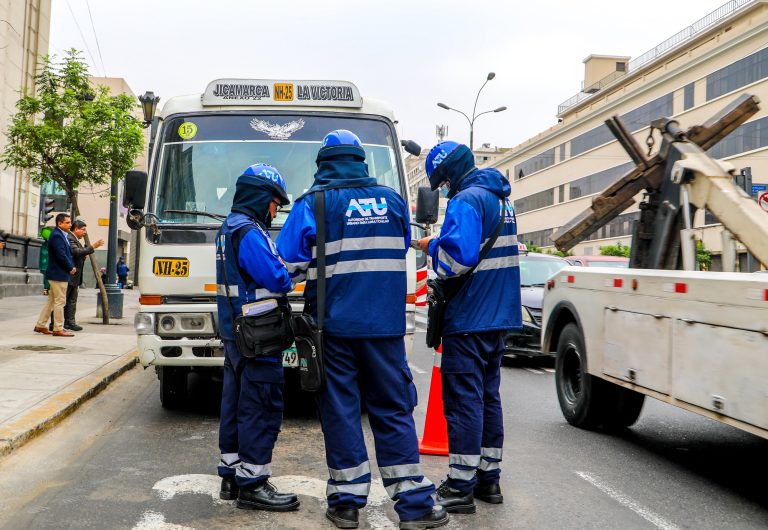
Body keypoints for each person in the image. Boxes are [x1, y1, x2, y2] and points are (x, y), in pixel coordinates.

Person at [278, 130, 448, 530]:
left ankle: (346, 503)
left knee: (341, 411)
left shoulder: (313, 203)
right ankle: (414, 505)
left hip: (333, 330)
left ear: (324, 163)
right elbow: (403, 243)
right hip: (385, 328)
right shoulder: (392, 201)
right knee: (392, 408)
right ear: (360, 160)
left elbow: (287, 265)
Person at [416, 141, 521, 515]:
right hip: (499, 316)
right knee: (488, 397)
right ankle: (487, 479)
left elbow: (456, 261)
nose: (445, 190)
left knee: (463, 401)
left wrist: (431, 248)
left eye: (443, 183)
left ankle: (460, 485)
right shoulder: (500, 199)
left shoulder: (466, 200)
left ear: (450, 174)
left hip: (469, 318)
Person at [215, 163, 299, 512]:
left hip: (237, 334)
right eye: (275, 203)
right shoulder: (248, 232)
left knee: (234, 404)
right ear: (262, 198)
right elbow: (277, 279)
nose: (275, 210)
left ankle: (232, 474)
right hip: (259, 333)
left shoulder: (227, 228)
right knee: (261, 406)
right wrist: (287, 269)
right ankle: (254, 482)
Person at [34, 213, 77, 337]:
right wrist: (70, 267)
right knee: (60, 301)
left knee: (52, 301)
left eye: (70, 222)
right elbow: (61, 255)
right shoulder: (58, 236)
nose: (70, 224)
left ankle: (40, 325)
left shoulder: (60, 235)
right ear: (59, 223)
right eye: (67, 222)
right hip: (58, 274)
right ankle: (58, 328)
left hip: (56, 273)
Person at [64, 220, 104, 331]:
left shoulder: (75, 239)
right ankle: (58, 323)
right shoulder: (70, 238)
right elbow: (76, 252)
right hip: (70, 274)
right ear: (76, 229)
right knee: (64, 300)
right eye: (83, 230)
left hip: (75, 276)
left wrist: (84, 255)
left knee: (72, 300)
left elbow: (79, 253)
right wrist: (93, 246)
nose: (85, 232)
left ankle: (69, 322)